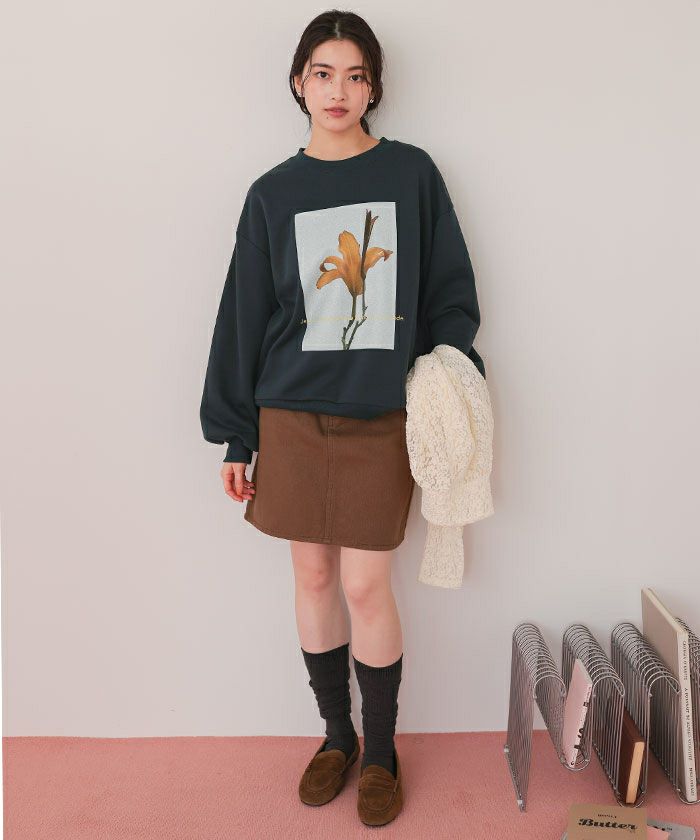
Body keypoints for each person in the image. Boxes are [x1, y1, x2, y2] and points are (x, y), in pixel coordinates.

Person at [199, 9, 485, 828]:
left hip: (377, 414)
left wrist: (448, 373)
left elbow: (449, 290)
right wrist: (238, 432)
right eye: (323, 74)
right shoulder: (273, 193)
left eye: (355, 75)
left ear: (373, 87)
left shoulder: (410, 174)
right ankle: (337, 737)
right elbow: (245, 315)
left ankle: (382, 750)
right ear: (299, 82)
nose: (338, 91)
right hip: (289, 412)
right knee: (314, 578)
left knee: (365, 582)